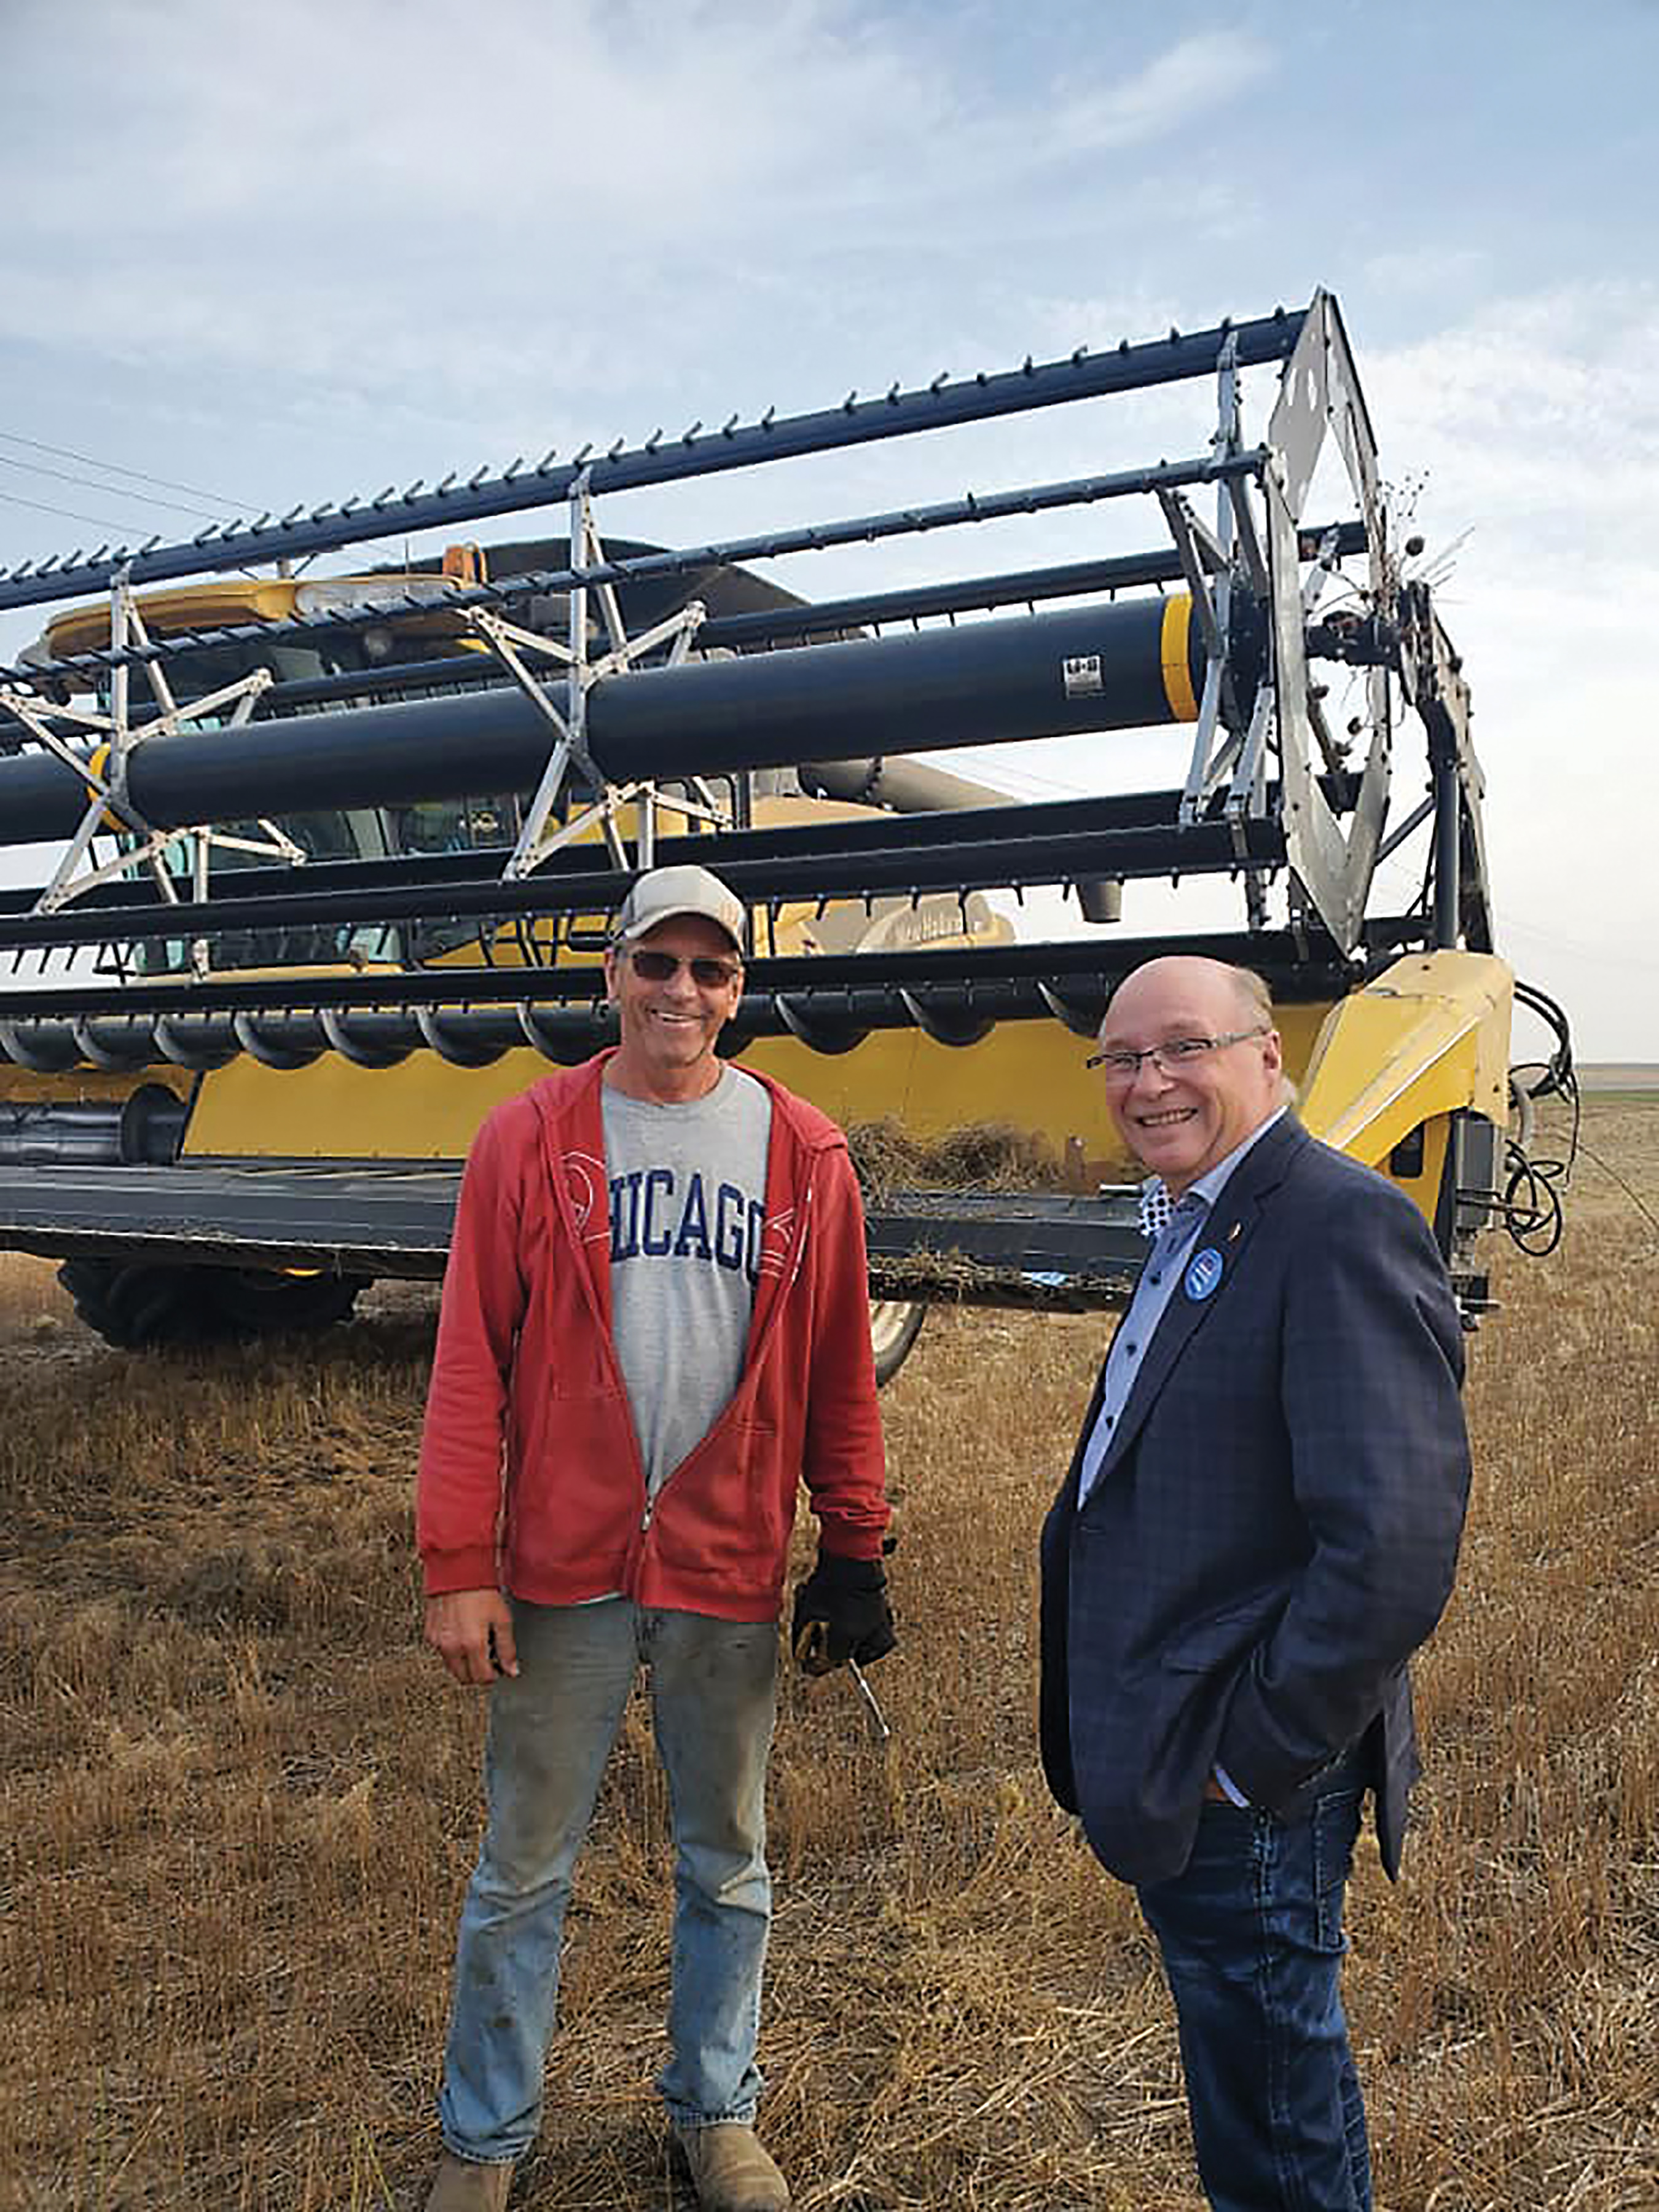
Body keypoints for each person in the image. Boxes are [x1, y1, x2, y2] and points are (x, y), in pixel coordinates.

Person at [417, 862, 895, 2212]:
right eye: (658, 963)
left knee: (725, 1859)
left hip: (725, 1562)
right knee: (522, 1868)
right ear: (612, 972)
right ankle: (485, 2142)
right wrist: (458, 1565)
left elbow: (836, 1373)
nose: (681, 990)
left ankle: (713, 2112)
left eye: (712, 969)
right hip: (562, 1569)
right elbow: (468, 1366)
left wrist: (854, 1542)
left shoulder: (806, 1153)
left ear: (741, 993)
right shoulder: (529, 1137)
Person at [1039, 955, 1471, 2212]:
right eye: (1122, 1059)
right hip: (1189, 1739)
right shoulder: (1207, 1210)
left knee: (1270, 2108)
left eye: (1184, 1048)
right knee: (1268, 2079)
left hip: (1249, 1771)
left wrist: (1254, 1754)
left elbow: (1392, 1547)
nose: (1149, 1080)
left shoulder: (1332, 1219)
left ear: (1267, 1055)